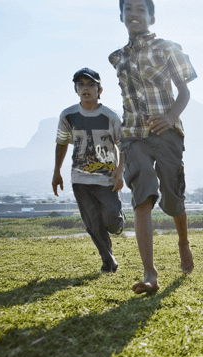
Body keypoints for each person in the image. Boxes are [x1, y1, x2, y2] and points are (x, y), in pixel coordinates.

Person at [109, 0, 197, 293]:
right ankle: (150, 273)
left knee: (173, 197)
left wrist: (171, 117)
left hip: (166, 132)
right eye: (128, 9)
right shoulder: (117, 58)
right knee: (143, 191)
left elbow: (184, 90)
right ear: (121, 16)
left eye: (140, 9)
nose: (134, 14)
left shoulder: (166, 48)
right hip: (133, 135)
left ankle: (183, 242)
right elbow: (126, 103)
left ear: (152, 17)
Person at [52, 68, 125, 273]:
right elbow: (61, 143)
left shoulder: (110, 116)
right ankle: (108, 262)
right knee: (93, 223)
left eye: (90, 85)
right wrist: (57, 171)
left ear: (99, 89)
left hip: (107, 180)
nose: (86, 89)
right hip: (80, 179)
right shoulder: (68, 115)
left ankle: (118, 221)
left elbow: (123, 145)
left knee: (111, 220)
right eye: (81, 85)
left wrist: (120, 172)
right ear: (76, 89)